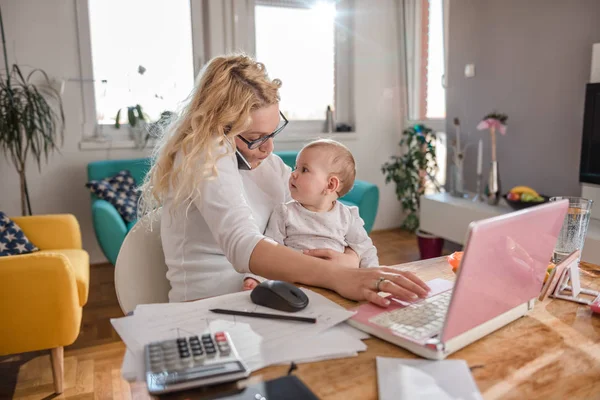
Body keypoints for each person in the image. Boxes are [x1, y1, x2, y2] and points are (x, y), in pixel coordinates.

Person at [139, 53, 430, 306]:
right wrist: (337, 275)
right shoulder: (202, 153)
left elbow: (311, 217)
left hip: (271, 300)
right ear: (219, 128)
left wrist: (351, 259)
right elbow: (243, 245)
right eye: (255, 139)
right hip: (210, 312)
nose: (269, 148)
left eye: (273, 133)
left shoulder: (269, 166)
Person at [243, 139, 378, 290]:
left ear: (330, 185)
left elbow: (365, 249)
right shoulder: (284, 212)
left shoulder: (347, 216)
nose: (293, 174)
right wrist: (257, 279)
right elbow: (269, 250)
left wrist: (373, 276)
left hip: (336, 284)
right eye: (296, 167)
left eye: (304, 169)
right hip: (294, 284)